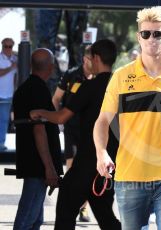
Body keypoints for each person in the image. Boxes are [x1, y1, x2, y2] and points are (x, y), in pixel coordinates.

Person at [93, 6, 161, 230]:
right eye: (146, 34)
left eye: (158, 34)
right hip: (130, 177)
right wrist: (101, 152)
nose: (151, 39)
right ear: (139, 37)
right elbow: (102, 121)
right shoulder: (121, 77)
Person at [30, 39, 121, 229]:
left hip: (87, 162)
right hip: (111, 164)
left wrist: (40, 112)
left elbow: (62, 117)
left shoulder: (90, 86)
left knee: (65, 210)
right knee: (105, 216)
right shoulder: (120, 87)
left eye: (89, 58)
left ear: (96, 58)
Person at [12, 48, 63, 230]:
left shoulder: (24, 89)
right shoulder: (38, 90)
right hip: (38, 165)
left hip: (32, 161)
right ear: (49, 67)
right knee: (27, 217)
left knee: (34, 219)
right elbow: (39, 130)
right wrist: (49, 167)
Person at [51, 45, 93, 222]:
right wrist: (55, 124)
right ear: (85, 59)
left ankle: (84, 208)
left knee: (90, 171)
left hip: (92, 131)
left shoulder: (101, 77)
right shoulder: (71, 75)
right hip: (72, 129)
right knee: (73, 168)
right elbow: (56, 99)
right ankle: (72, 205)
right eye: (93, 59)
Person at [0, 38, 17, 151]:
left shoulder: (15, 59)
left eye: (10, 46)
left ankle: (1, 143)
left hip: (8, 94)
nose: (7, 49)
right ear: (2, 46)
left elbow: (15, 77)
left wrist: (15, 88)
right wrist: (11, 67)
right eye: (5, 46)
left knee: (4, 120)